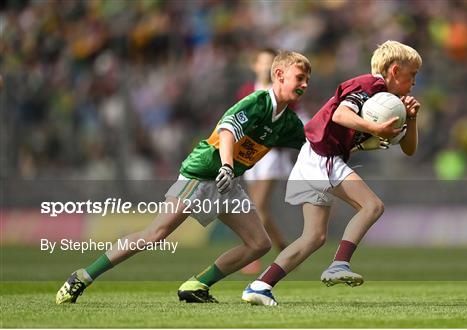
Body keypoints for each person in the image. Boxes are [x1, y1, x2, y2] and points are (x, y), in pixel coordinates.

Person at [55, 50, 311, 304]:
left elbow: (315, 142)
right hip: (202, 173)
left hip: (227, 182)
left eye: (307, 80)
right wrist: (226, 166)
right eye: (299, 78)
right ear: (279, 74)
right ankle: (83, 276)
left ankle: (196, 285)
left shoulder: (288, 122)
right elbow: (227, 131)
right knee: (155, 234)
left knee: (259, 244)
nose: (304, 85)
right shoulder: (257, 102)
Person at [242, 40, 422, 306]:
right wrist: (374, 130)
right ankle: (339, 263)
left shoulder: (389, 103)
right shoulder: (369, 86)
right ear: (395, 71)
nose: (415, 82)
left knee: (313, 237)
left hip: (314, 156)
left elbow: (409, 149)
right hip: (321, 156)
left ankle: (260, 285)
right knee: (372, 206)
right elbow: (340, 114)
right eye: (413, 75)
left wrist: (412, 119)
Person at [236, 48, 301, 274]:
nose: (266, 67)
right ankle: (284, 248)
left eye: (270, 63)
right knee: (257, 207)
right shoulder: (247, 91)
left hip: (271, 153)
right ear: (254, 65)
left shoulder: (283, 90)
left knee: (256, 206)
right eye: (262, 63)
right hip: (249, 152)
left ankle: (251, 252)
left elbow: (289, 120)